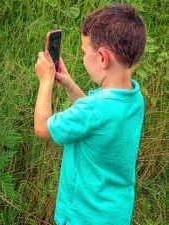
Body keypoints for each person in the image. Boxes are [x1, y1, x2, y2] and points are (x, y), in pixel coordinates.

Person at [33, 3, 146, 225]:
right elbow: (96, 117)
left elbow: (42, 128)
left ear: (103, 58)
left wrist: (46, 81)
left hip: (82, 215)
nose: (83, 58)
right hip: (114, 213)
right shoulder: (133, 96)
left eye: (85, 52)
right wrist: (67, 82)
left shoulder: (94, 109)